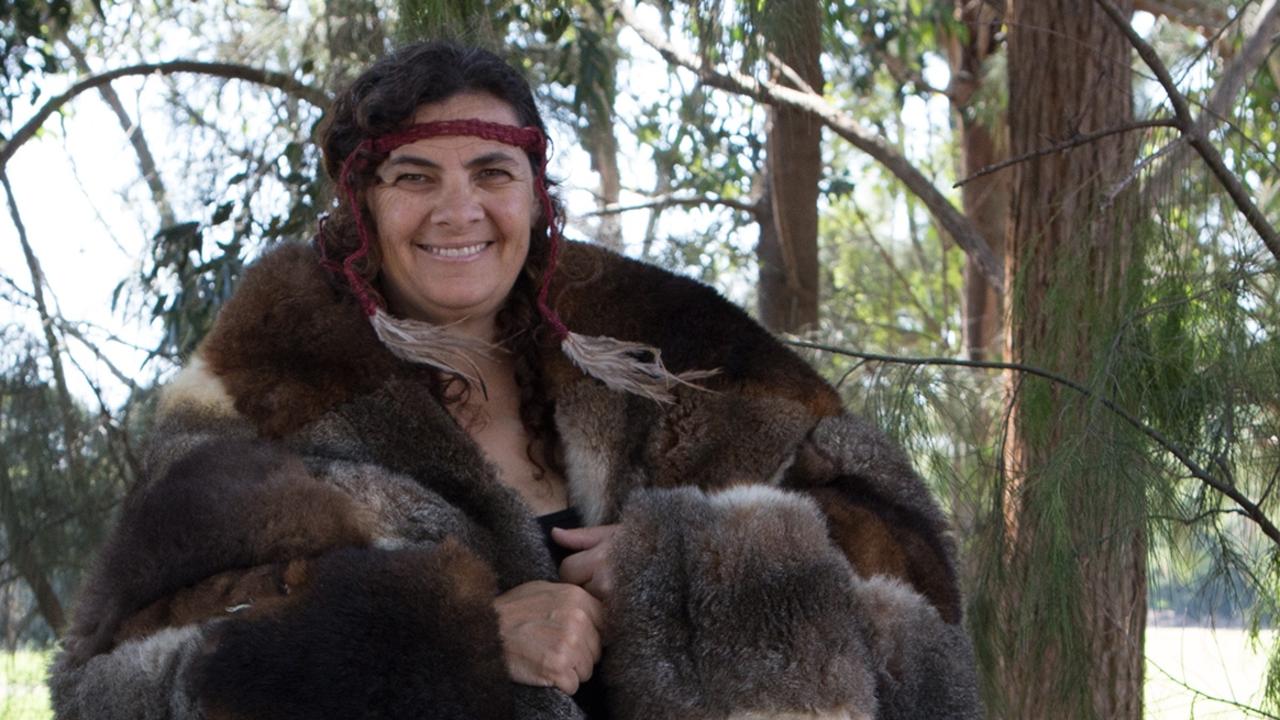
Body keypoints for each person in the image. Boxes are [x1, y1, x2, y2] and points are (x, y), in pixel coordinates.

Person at [48, 42, 981, 720]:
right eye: (414, 176)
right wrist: (448, 639)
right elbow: (113, 683)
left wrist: (689, 574)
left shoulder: (670, 350)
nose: (460, 210)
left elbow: (917, 590)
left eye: (492, 171)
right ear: (361, 204)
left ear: (535, 194)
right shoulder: (262, 387)